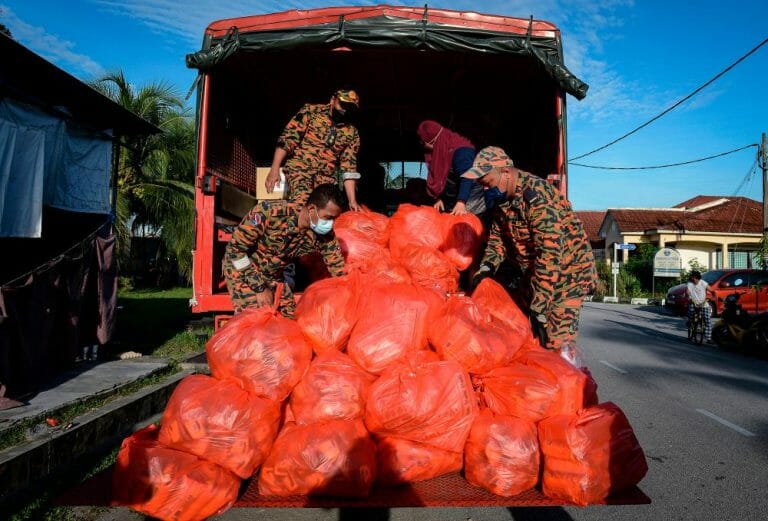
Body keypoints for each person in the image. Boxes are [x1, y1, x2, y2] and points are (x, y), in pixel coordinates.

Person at [464, 146, 597, 359]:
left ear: (506, 173)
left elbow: (550, 253)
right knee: (522, 331)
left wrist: (540, 306)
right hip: (537, 273)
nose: (486, 191)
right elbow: (498, 239)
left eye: (487, 184)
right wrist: (487, 267)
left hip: (568, 275)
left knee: (554, 341)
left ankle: (568, 382)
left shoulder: (537, 197)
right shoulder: (503, 201)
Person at [223, 184, 346, 318]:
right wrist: (259, 287)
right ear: (312, 209)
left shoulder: (325, 236)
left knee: (289, 321)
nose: (331, 224)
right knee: (258, 319)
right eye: (328, 218)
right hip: (243, 270)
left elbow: (338, 269)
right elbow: (234, 250)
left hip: (273, 277)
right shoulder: (269, 212)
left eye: (335, 219)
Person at [265, 89, 362, 210]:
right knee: (302, 203)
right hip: (300, 170)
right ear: (333, 100)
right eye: (342, 104)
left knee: (325, 210)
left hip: (325, 179)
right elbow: (288, 140)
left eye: (350, 107)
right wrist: (274, 169)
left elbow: (348, 167)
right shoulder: (311, 112)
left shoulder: (352, 132)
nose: (344, 110)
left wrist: (352, 201)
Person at [417, 120, 485, 216]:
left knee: (466, 227)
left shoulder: (462, 151)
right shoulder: (439, 152)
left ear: (432, 139)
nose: (422, 144)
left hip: (471, 202)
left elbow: (468, 176)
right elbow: (439, 177)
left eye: (423, 142)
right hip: (453, 200)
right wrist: (439, 198)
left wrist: (461, 202)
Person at [686, 270, 714, 342]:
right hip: (693, 303)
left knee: (707, 320)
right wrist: (688, 295)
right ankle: (690, 329)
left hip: (703, 303)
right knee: (690, 318)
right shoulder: (689, 283)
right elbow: (688, 291)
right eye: (692, 278)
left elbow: (712, 290)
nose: (693, 279)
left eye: (694, 278)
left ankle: (708, 338)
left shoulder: (703, 283)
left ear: (698, 278)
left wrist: (713, 296)